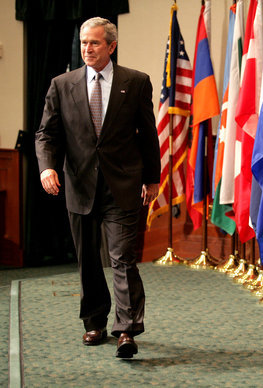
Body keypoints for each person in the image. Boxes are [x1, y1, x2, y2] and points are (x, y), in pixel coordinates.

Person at [35, 17, 160, 358]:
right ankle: (95, 322)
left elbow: (148, 134)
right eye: (83, 43)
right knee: (88, 260)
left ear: (111, 46)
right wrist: (47, 167)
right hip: (79, 185)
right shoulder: (62, 84)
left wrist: (153, 178)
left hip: (122, 185)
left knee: (123, 258)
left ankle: (127, 330)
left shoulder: (135, 82)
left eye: (94, 43)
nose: (87, 49)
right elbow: (46, 134)